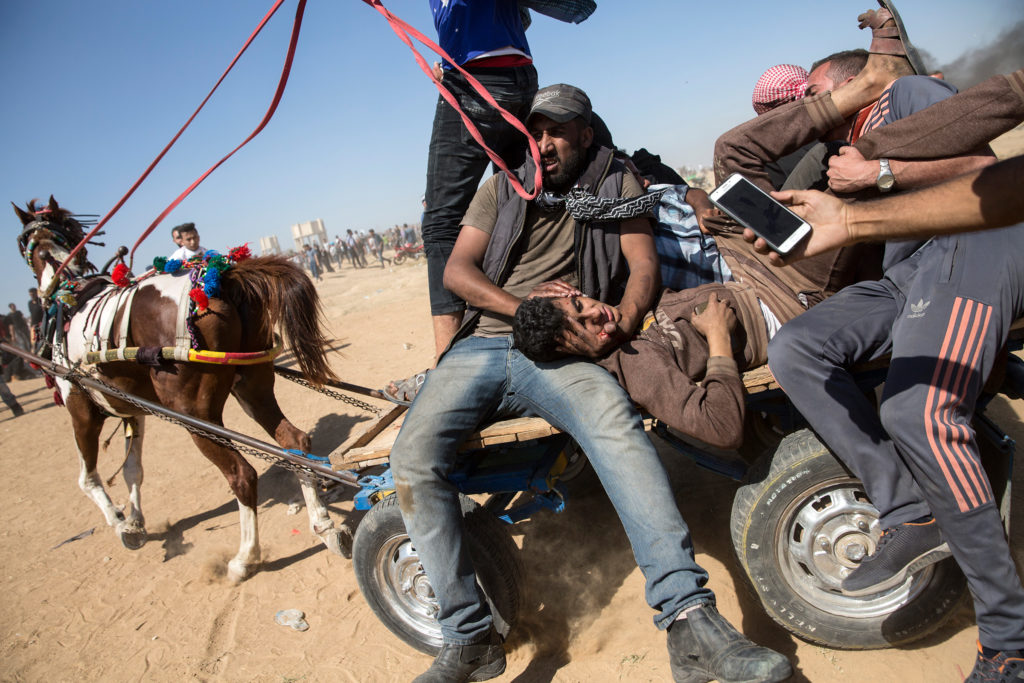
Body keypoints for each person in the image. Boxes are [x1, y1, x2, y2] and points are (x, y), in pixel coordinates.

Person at [388, 83, 791, 683]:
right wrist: (525, 308)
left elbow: (644, 267)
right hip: (486, 343)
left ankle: (688, 619)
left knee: (615, 427)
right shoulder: (501, 186)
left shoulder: (614, 185)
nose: (544, 143)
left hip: (564, 352)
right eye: (536, 131)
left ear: (584, 132)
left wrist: (620, 326)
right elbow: (457, 271)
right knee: (412, 459)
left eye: (556, 131)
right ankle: (469, 637)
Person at [514, 289, 746, 450]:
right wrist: (718, 334)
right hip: (767, 315)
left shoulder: (622, 302)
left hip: (754, 280)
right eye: (581, 327)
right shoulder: (634, 363)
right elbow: (722, 427)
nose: (595, 313)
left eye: (579, 305)